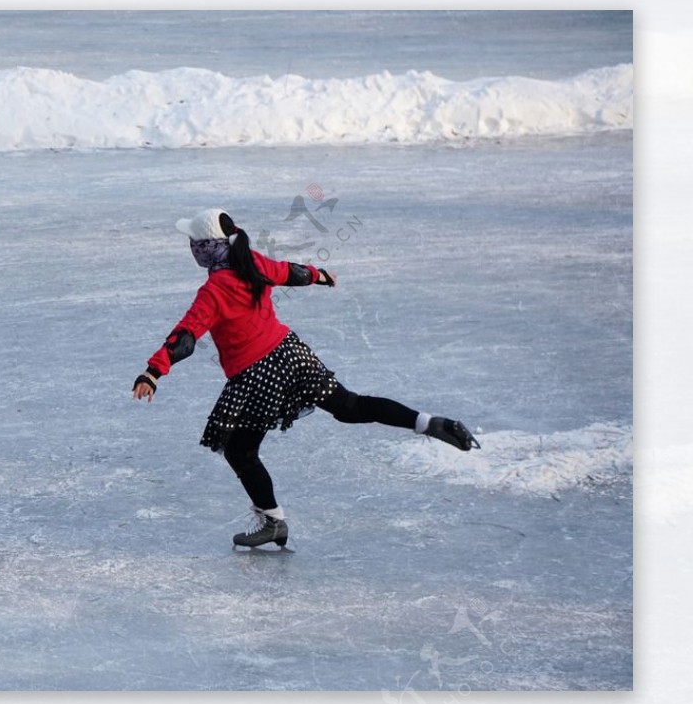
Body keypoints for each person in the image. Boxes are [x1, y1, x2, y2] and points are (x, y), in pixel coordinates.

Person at [131, 209, 480, 549]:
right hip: (291, 354)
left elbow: (187, 335)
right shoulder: (250, 261)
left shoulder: (214, 291)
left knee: (240, 450)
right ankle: (429, 423)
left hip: (256, 375)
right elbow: (289, 272)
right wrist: (320, 275)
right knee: (350, 406)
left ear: (206, 248)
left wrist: (153, 370)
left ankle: (272, 522)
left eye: (193, 242)